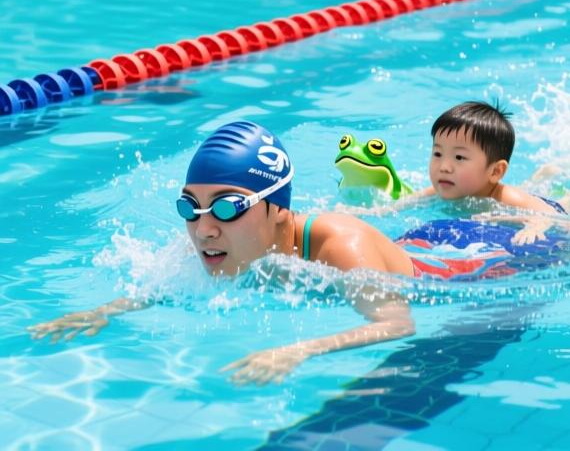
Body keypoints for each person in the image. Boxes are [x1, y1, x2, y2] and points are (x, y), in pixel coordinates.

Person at [29, 120, 423, 385]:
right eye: (190, 207)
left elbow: (396, 323)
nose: (203, 230)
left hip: (443, 262)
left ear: (278, 209)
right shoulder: (211, 237)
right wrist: (105, 311)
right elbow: (165, 288)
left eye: (227, 207)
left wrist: (300, 350)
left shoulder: (339, 244)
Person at [417, 101, 569, 244]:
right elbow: (408, 202)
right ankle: (540, 177)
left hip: (547, 205)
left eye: (459, 157)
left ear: (495, 171)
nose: (444, 167)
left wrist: (534, 228)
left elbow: (548, 214)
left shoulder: (506, 199)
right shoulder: (441, 187)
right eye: (437, 154)